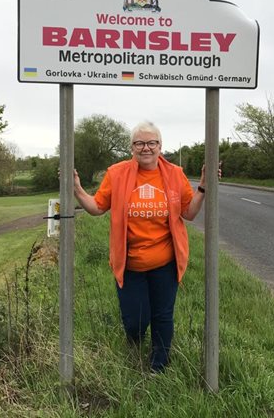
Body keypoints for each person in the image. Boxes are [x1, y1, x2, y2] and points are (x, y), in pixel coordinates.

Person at [73, 121, 216, 372]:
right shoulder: (117, 174)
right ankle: (135, 338)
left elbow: (189, 213)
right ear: (131, 147)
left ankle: (159, 365)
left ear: (160, 146)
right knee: (135, 320)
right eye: (139, 143)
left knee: (162, 315)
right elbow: (97, 208)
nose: (146, 148)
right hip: (129, 263)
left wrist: (203, 187)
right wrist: (76, 189)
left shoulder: (174, 174)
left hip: (165, 262)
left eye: (152, 143)